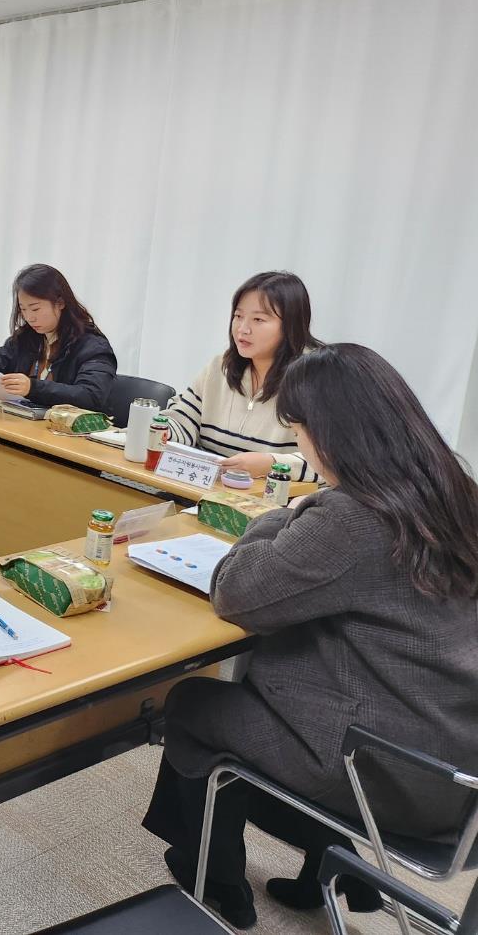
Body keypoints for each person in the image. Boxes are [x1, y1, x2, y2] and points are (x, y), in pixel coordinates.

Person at [142, 343, 478, 929]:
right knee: (312, 671)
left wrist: (287, 510)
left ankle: (218, 883)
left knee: (195, 704)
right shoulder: (454, 494)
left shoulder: (353, 517)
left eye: (297, 429)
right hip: (457, 763)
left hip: (387, 772)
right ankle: (332, 874)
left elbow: (234, 590)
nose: (298, 443)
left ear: (332, 433)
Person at [160, 271, 321, 481]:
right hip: (206, 491)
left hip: (275, 504)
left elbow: (333, 465)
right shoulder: (220, 367)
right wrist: (160, 430)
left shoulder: (315, 379)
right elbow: (183, 422)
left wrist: (272, 464)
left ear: (291, 325)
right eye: (238, 316)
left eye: (258, 319)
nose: (242, 329)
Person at [0, 264, 117, 413]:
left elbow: (91, 397)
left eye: (35, 309)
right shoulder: (26, 337)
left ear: (60, 303)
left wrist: (32, 388)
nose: (29, 317)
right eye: (23, 309)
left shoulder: (93, 347)